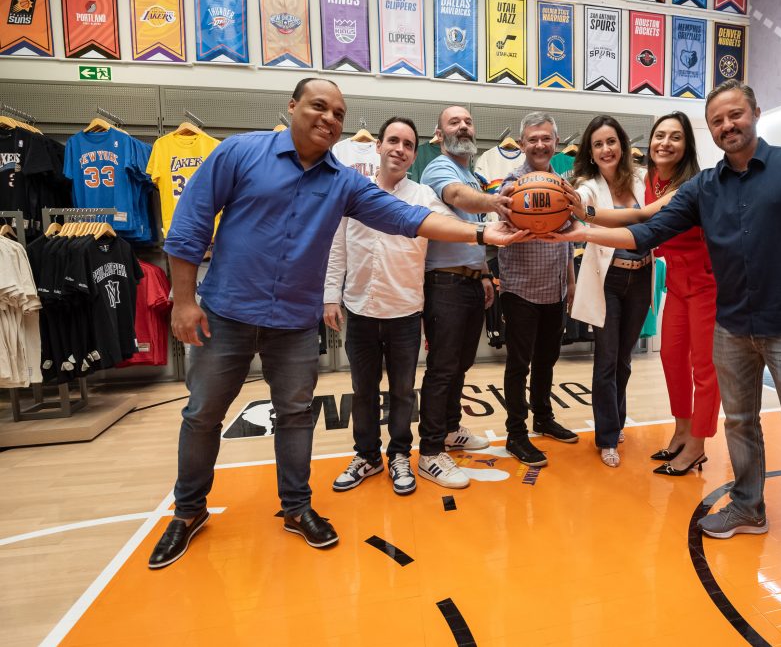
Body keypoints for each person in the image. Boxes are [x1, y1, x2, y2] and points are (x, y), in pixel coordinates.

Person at [149, 79, 526, 569]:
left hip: (293, 323)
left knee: (295, 415)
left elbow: (407, 217)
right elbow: (191, 222)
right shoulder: (240, 152)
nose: (329, 118)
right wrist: (183, 301)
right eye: (319, 106)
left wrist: (483, 233)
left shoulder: (343, 182)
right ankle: (188, 511)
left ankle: (296, 507)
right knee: (203, 415)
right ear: (292, 106)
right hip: (227, 311)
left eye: (339, 113)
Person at [547, 80, 781, 597]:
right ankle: (748, 507)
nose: (728, 126)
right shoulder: (704, 188)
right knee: (740, 424)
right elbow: (646, 231)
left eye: (735, 115)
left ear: (756, 112)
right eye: (718, 120)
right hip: (732, 324)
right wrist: (582, 232)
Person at [565, 112, 719, 476]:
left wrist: (586, 220)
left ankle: (696, 443)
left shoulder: (679, 184)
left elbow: (643, 218)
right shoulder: (647, 180)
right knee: (660, 358)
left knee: (698, 368)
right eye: (660, 135)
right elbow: (584, 195)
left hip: (698, 281)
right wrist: (575, 207)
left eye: (675, 136)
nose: (665, 143)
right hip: (663, 283)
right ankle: (670, 433)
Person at [324, 117, 454, 497]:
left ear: (413, 154)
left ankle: (399, 455)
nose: (400, 149)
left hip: (405, 313)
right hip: (360, 310)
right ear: (378, 146)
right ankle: (367, 456)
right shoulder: (354, 193)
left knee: (402, 392)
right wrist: (330, 295)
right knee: (362, 391)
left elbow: (451, 227)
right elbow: (337, 248)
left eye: (408, 144)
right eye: (393, 141)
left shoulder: (424, 196)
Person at [417, 106, 514, 489]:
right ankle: (429, 452)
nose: (463, 127)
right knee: (443, 368)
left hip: (471, 282)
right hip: (444, 284)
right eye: (454, 122)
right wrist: (495, 202)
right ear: (440, 134)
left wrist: (485, 274)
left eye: (468, 122)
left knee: (460, 365)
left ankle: (450, 429)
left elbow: (472, 228)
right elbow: (459, 198)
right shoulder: (439, 169)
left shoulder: (471, 174)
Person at [569, 115, 652, 469]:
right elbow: (582, 205)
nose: (606, 149)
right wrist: (574, 203)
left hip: (642, 277)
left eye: (611, 141)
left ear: (623, 144)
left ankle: (616, 420)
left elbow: (655, 216)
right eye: (598, 144)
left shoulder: (643, 179)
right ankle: (606, 436)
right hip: (609, 280)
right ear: (591, 152)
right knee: (606, 359)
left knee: (624, 359)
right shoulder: (589, 186)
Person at [496, 112, 579, 468]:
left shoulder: (563, 186)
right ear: (522, 144)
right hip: (520, 289)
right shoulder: (510, 185)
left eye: (546, 138)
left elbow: (569, 238)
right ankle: (516, 433)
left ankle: (543, 418)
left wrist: (570, 282)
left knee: (547, 359)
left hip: (555, 288)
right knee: (519, 364)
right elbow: (498, 227)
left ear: (556, 143)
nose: (540, 144)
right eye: (533, 139)